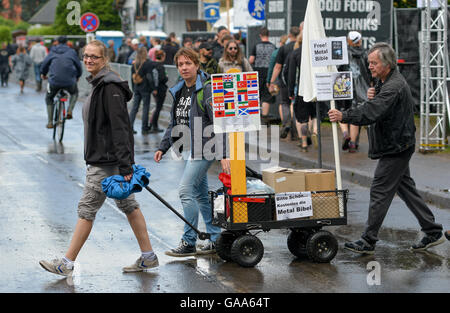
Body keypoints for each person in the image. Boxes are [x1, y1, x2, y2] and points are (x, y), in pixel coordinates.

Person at [39, 40, 158, 276]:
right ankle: (148, 256)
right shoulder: (99, 83)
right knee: (129, 206)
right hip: (107, 158)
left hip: (105, 161)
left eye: (94, 56)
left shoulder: (109, 87)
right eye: (86, 56)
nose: (89, 60)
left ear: (105, 60)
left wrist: (125, 165)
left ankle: (66, 263)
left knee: (87, 209)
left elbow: (120, 128)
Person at [328, 42, 445, 254]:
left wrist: (344, 115)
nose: (370, 66)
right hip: (398, 143)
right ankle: (433, 231)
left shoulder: (393, 86)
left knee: (380, 190)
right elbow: (377, 105)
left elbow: (372, 112)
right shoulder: (385, 82)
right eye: (369, 62)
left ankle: (368, 240)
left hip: (396, 147)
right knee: (405, 188)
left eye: (374, 63)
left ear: (387, 64)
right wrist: (373, 94)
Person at [154, 48, 230, 256]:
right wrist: (163, 146)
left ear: (197, 65)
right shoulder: (179, 90)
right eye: (180, 64)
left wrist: (224, 154)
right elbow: (174, 122)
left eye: (188, 63)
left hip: (205, 148)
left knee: (185, 191)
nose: (184, 68)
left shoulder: (206, 90)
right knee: (200, 195)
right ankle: (215, 239)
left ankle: (189, 241)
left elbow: (218, 122)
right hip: (190, 148)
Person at [335, 31, 372, 153]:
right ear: (360, 40)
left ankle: (346, 133)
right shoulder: (367, 53)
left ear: (348, 41)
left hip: (344, 87)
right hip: (362, 89)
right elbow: (371, 71)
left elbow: (337, 69)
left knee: (342, 112)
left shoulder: (343, 54)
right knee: (356, 115)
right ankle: (352, 143)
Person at [287, 23, 318, 152]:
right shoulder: (317, 51)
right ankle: (315, 131)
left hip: (302, 88)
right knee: (315, 114)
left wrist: (290, 91)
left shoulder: (296, 53)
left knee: (303, 118)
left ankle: (304, 142)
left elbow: (291, 74)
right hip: (316, 87)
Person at [40, 35, 82, 128]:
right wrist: (78, 76)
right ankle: (69, 110)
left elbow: (45, 64)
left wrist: (43, 73)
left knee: (49, 98)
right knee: (74, 93)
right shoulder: (72, 52)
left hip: (54, 81)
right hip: (70, 81)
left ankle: (50, 122)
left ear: (57, 42)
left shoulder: (53, 51)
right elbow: (79, 66)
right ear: (67, 42)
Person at [269, 26, 300, 140]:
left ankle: (286, 123)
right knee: (296, 104)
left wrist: (271, 81)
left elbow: (277, 67)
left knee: (285, 103)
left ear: (290, 35)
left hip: (285, 79)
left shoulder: (283, 48)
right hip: (299, 79)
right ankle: (297, 130)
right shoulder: (301, 47)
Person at [249, 27, 276, 122]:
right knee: (267, 97)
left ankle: (255, 119)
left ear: (260, 35)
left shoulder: (256, 46)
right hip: (269, 73)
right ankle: (264, 118)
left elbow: (251, 60)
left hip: (258, 74)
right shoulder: (273, 46)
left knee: (256, 96)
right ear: (268, 35)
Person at [129, 46, 155, 135]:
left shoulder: (134, 64)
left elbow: (131, 77)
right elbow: (149, 77)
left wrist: (133, 88)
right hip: (145, 88)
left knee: (134, 108)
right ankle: (144, 128)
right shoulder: (147, 64)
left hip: (136, 88)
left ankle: (130, 127)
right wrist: (153, 88)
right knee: (145, 108)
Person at [149, 49, 168, 133]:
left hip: (154, 89)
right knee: (158, 107)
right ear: (162, 57)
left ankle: (152, 123)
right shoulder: (160, 66)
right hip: (160, 89)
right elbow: (161, 78)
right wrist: (166, 78)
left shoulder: (152, 65)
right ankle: (154, 125)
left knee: (156, 107)